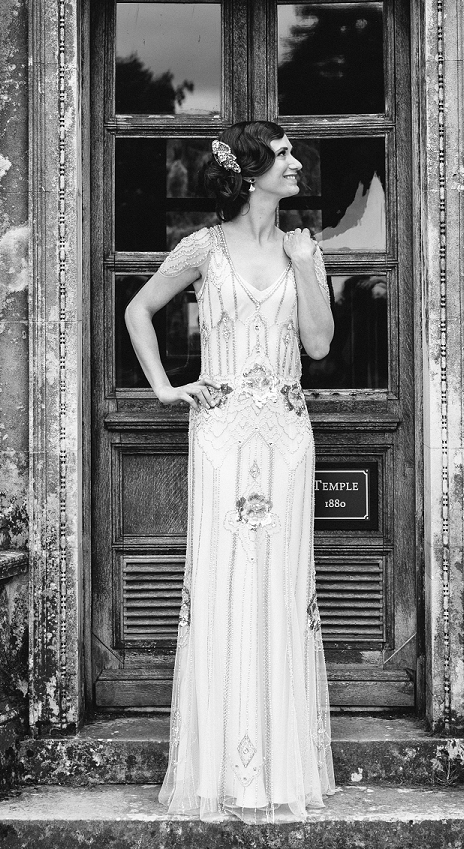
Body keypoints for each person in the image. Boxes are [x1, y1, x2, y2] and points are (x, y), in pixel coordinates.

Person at [124, 121, 337, 823]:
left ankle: (281, 770)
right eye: (282, 156)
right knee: (220, 589)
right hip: (219, 435)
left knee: (280, 588)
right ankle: (216, 773)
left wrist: (309, 268)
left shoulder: (301, 249)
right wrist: (166, 388)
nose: (296, 163)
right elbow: (139, 310)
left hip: (284, 436)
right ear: (250, 174)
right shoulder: (203, 249)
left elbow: (318, 345)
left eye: (292, 153)